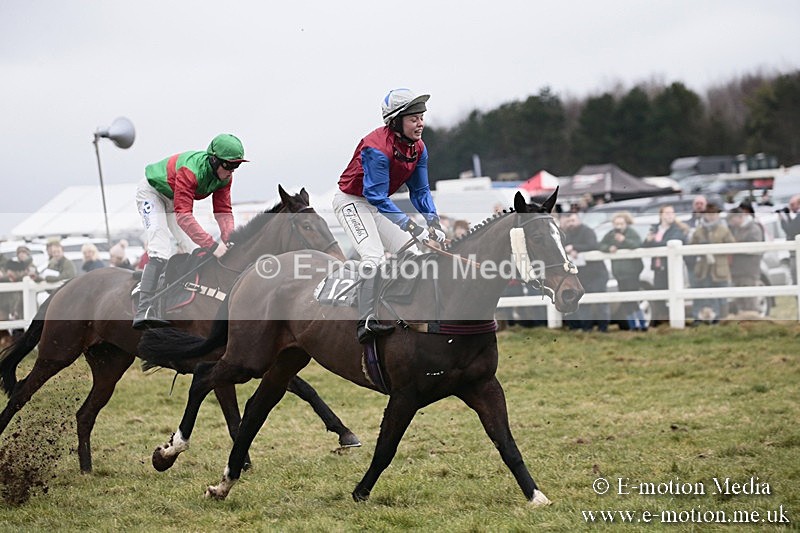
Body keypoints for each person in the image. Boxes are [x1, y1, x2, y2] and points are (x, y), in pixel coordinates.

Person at [333, 88, 445, 344]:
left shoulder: (419, 148)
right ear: (396, 121)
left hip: (376, 204)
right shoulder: (376, 148)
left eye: (421, 117)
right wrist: (411, 226)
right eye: (413, 119)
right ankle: (366, 322)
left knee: (413, 254)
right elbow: (376, 197)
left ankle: (403, 311)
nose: (420, 123)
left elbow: (420, 191)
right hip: (352, 201)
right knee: (374, 257)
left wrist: (433, 221)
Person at [133, 133, 248, 329]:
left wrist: (229, 238)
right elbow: (184, 217)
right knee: (160, 249)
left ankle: (173, 296)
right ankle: (143, 308)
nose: (231, 171)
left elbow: (223, 211)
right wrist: (213, 246)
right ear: (214, 160)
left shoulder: (225, 178)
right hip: (152, 193)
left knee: (194, 250)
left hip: (173, 198)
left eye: (236, 166)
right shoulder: (191, 171)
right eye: (229, 165)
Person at [561, 212, 610, 332]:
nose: (571, 223)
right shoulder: (567, 234)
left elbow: (592, 245)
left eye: (573, 220)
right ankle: (586, 328)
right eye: (569, 221)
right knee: (582, 302)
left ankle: (603, 328)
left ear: (579, 220)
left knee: (600, 301)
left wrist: (575, 247)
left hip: (596, 273)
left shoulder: (587, 231)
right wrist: (570, 249)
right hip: (581, 275)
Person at [642, 205, 689, 323]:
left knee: (673, 293)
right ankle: (662, 319)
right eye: (667, 213)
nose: (670, 215)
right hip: (658, 267)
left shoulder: (677, 229)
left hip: (671, 267)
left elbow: (669, 243)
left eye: (672, 213)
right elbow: (645, 245)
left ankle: (675, 319)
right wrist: (648, 240)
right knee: (659, 294)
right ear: (661, 215)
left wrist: (653, 243)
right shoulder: (654, 229)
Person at [689, 204, 735, 324]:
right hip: (704, 269)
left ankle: (723, 320)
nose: (712, 216)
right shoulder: (699, 231)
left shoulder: (723, 230)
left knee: (722, 297)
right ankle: (705, 320)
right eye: (709, 214)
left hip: (720, 269)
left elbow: (732, 246)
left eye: (714, 214)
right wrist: (701, 248)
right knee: (706, 296)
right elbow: (691, 247)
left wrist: (716, 250)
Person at [599, 211, 645, 330]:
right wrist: (609, 248)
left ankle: (642, 324)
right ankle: (632, 325)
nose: (618, 226)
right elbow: (600, 245)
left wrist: (624, 241)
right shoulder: (610, 235)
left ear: (626, 223)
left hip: (632, 272)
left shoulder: (632, 233)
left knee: (633, 300)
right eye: (616, 224)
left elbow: (637, 244)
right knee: (625, 301)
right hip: (619, 273)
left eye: (621, 224)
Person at [726, 206, 764, 314]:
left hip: (749, 271)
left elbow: (755, 248)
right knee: (740, 301)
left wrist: (736, 246)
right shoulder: (734, 229)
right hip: (736, 271)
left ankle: (754, 319)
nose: (731, 222)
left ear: (740, 217)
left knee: (750, 301)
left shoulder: (754, 229)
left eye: (732, 218)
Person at [777, 194, 800, 284]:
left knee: (796, 278)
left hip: (797, 253)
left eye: (792, 204)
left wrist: (783, 220)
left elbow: (791, 231)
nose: (790, 207)